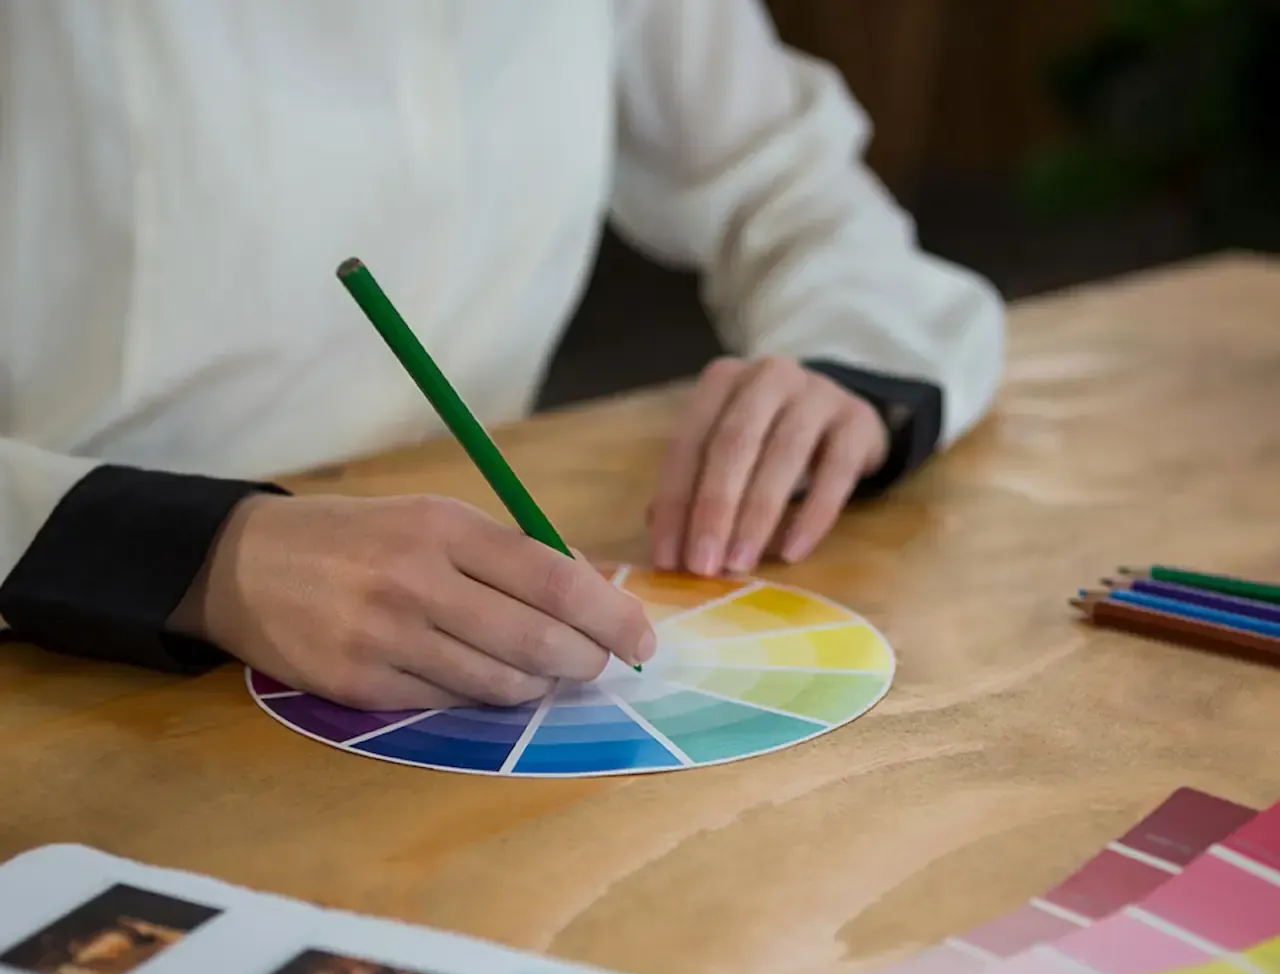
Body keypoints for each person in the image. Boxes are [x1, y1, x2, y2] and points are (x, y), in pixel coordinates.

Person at [0, 1, 1004, 712]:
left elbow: (783, 183)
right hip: (65, 653)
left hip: (466, 642)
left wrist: (852, 366)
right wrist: (199, 555)